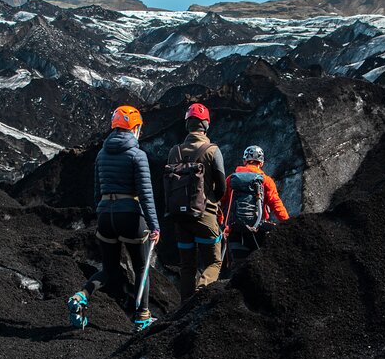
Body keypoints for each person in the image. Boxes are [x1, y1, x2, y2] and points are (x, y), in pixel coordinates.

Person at [68, 105, 160, 332]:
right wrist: (155, 226)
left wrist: (102, 213)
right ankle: (142, 318)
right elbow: (146, 194)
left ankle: (81, 296)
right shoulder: (137, 156)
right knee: (140, 268)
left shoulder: (101, 154)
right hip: (130, 215)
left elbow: (97, 192)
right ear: (135, 127)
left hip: (105, 217)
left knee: (109, 270)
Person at [167, 103, 227, 302]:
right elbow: (221, 186)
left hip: (180, 218)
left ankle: (184, 308)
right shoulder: (212, 151)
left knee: (187, 266)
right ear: (206, 125)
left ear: (187, 125)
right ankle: (203, 292)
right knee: (214, 262)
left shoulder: (174, 151)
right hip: (205, 217)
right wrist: (213, 202)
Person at [220, 145, 289, 273]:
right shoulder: (266, 181)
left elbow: (221, 203)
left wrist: (222, 223)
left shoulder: (231, 179)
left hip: (235, 230)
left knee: (238, 268)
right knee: (259, 267)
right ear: (261, 163)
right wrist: (288, 223)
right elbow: (276, 204)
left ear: (244, 161)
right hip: (258, 230)